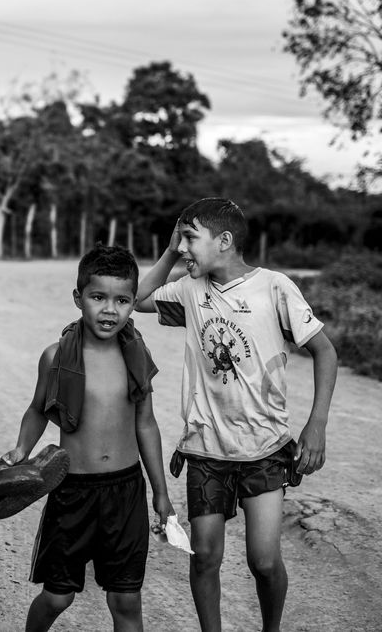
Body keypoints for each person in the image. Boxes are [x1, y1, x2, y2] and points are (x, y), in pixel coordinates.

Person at [135, 197, 338, 632]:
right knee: (205, 556)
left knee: (264, 562)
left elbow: (324, 351)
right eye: (182, 239)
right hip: (206, 449)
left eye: (191, 238)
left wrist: (316, 424)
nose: (185, 248)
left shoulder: (275, 287)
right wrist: (172, 250)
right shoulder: (191, 290)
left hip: (264, 448)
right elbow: (139, 298)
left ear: (224, 241)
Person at [0, 244, 174, 632]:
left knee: (126, 600)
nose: (110, 310)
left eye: (122, 300)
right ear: (79, 298)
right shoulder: (57, 356)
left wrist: (160, 493)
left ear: (132, 303)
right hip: (73, 490)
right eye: (98, 297)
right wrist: (21, 449)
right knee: (57, 596)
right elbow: (37, 409)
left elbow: (146, 423)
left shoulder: (135, 354)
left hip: (126, 491)